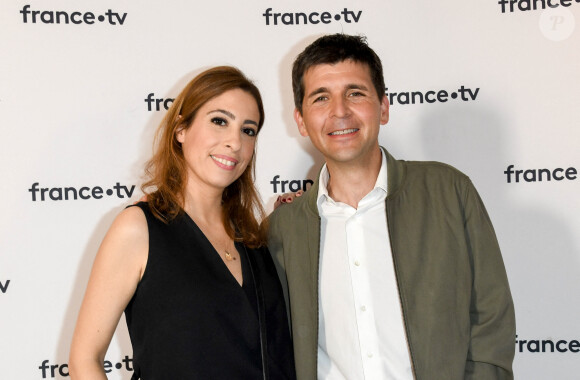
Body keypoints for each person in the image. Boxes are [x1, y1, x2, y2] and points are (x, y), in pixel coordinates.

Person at [268, 34, 516, 380]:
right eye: (321, 98)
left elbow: (491, 319)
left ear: (383, 107)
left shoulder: (449, 191)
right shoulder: (284, 228)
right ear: (300, 121)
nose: (339, 111)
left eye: (355, 93)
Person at [69, 66, 295, 379]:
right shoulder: (139, 228)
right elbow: (85, 359)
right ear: (181, 130)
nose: (234, 141)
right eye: (219, 121)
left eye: (248, 130)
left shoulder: (255, 240)